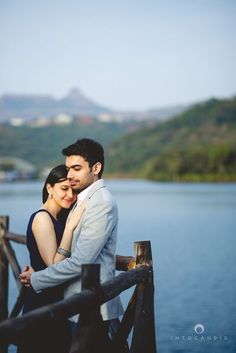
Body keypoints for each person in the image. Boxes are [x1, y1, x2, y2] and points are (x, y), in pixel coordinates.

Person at [20, 138, 124, 350]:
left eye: (76, 168)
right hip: (75, 305)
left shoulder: (100, 202)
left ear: (96, 168)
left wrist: (36, 277)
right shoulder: (82, 200)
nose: (70, 175)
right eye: (68, 168)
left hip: (91, 307)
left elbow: (80, 261)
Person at [18, 164, 85, 353]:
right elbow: (54, 264)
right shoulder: (42, 218)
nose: (70, 195)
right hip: (43, 303)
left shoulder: (60, 218)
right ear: (50, 188)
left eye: (74, 190)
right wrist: (71, 227)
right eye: (64, 188)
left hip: (58, 302)